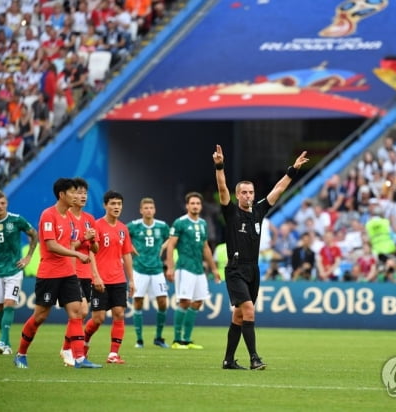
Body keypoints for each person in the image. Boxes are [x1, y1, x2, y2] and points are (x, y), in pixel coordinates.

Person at [213, 144, 309, 370]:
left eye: (250, 192)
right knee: (248, 310)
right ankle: (254, 358)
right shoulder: (231, 211)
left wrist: (293, 169)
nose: (247, 195)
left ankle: (228, 360)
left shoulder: (258, 211)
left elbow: (278, 189)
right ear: (238, 195)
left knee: (238, 317)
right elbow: (222, 187)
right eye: (244, 192)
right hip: (235, 270)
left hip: (253, 270)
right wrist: (219, 166)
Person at [14, 178, 101, 369]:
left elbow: (71, 243)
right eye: (72, 192)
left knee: (77, 312)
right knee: (40, 316)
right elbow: (52, 246)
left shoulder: (69, 218)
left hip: (68, 273)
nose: (76, 195)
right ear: (62, 195)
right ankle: (21, 354)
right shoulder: (48, 215)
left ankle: (79, 359)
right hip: (49, 274)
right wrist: (77, 254)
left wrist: (79, 255)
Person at [84, 190, 134, 364]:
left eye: (119, 204)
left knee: (119, 314)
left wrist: (131, 280)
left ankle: (113, 354)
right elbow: (90, 252)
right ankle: (83, 342)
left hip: (119, 279)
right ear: (105, 205)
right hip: (100, 279)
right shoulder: (96, 226)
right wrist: (95, 276)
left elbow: (126, 254)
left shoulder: (123, 228)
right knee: (98, 319)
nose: (116, 207)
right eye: (112, 204)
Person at [165, 192, 221, 349]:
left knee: (197, 302)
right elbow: (171, 245)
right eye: (192, 203)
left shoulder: (203, 224)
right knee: (185, 301)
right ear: (187, 206)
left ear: (201, 206)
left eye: (198, 203)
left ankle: (187, 340)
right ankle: (177, 340)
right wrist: (170, 267)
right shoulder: (180, 222)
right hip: (184, 267)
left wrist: (214, 269)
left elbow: (205, 247)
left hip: (198, 269)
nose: (195, 206)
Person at [0, 190, 38, 355]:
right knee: (0, 307)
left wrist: (28, 257)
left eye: (3, 203)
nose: (0, 206)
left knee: (9, 303)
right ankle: (7, 343)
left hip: (14, 270)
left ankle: (2, 341)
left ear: (7, 203)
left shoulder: (16, 220)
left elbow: (34, 234)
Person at [60, 177, 102, 367]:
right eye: (78, 192)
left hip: (85, 272)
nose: (82, 196)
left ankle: (66, 348)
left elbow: (94, 250)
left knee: (81, 315)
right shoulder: (64, 217)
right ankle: (73, 353)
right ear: (69, 194)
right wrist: (83, 240)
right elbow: (66, 246)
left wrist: (92, 241)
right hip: (70, 270)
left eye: (85, 193)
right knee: (81, 310)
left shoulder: (89, 219)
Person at [127, 197, 171, 349]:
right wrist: (131, 249)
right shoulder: (133, 226)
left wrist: (163, 247)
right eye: (145, 208)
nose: (148, 210)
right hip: (139, 269)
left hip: (157, 269)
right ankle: (139, 339)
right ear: (141, 210)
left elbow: (171, 238)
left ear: (155, 210)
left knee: (163, 302)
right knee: (137, 302)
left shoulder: (162, 226)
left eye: (151, 208)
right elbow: (122, 238)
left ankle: (158, 337)